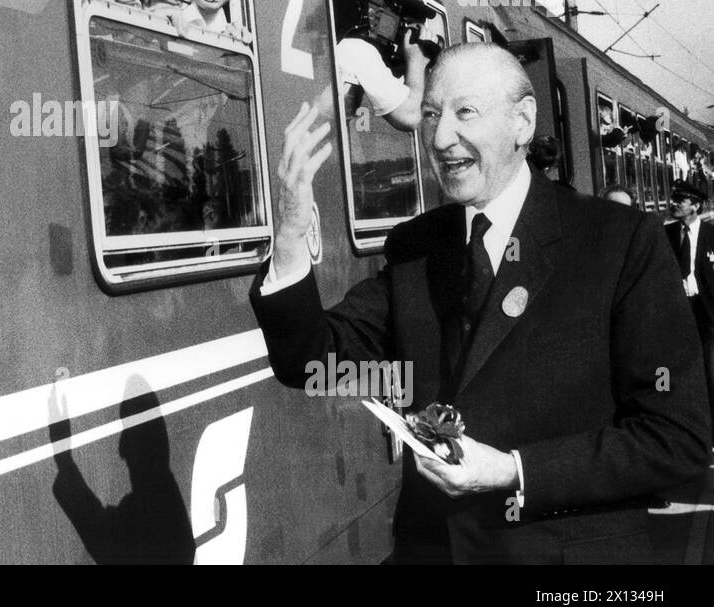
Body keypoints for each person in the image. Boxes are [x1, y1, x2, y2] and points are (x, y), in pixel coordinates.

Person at [251, 43, 709, 563]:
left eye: (464, 112)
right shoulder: (416, 248)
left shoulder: (619, 241)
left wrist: (515, 469)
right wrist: (290, 236)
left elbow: (677, 435)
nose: (442, 137)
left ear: (523, 121)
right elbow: (311, 363)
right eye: (430, 114)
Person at [333, 0, 427, 133]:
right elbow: (410, 116)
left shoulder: (347, 46)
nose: (398, 29)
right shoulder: (359, 50)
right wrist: (417, 60)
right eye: (393, 17)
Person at [667, 180, 714, 431]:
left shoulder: (711, 235)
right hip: (678, 311)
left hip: (706, 313)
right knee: (673, 372)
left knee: (710, 370)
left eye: (680, 200)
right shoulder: (665, 234)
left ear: (695, 205)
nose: (673, 203)